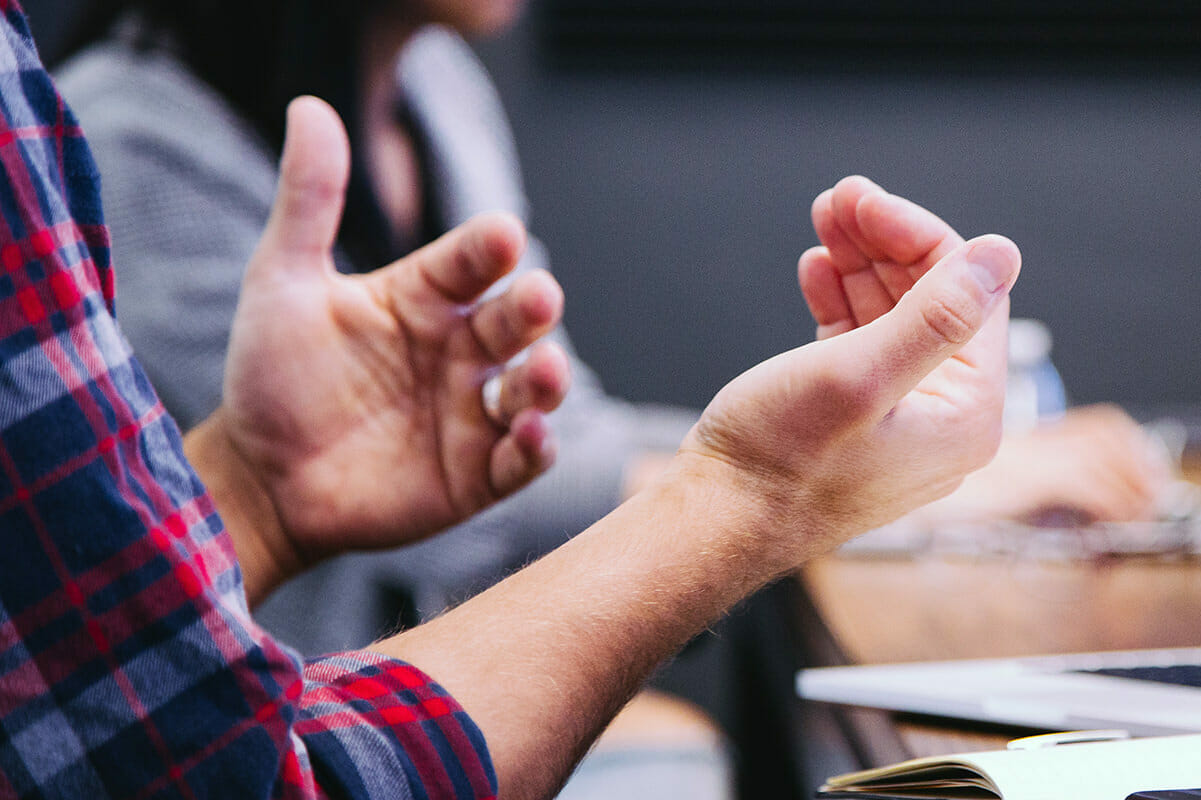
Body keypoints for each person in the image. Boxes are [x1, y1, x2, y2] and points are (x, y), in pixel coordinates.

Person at [0, 0, 1025, 791]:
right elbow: (219, 769)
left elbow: (551, 431)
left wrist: (260, 491)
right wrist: (770, 484)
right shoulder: (130, 136)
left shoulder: (436, 85)